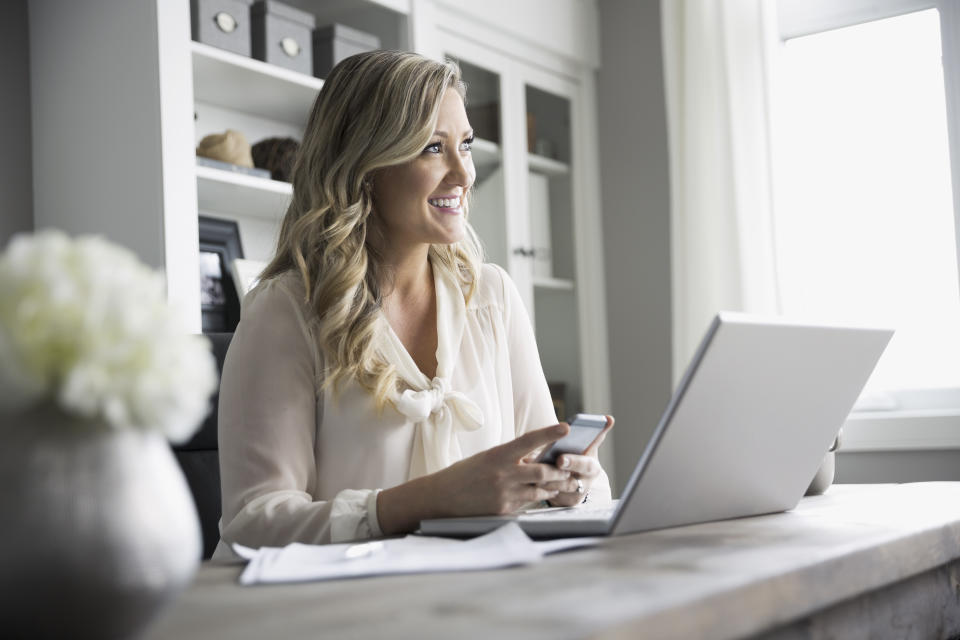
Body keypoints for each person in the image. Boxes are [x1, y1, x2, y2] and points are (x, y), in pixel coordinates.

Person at [213, 51, 613, 560]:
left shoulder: (492, 297)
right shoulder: (284, 311)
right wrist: (426, 501)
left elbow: (579, 490)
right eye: (432, 148)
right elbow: (255, 520)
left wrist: (568, 483)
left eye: (465, 145)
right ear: (364, 167)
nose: (463, 174)